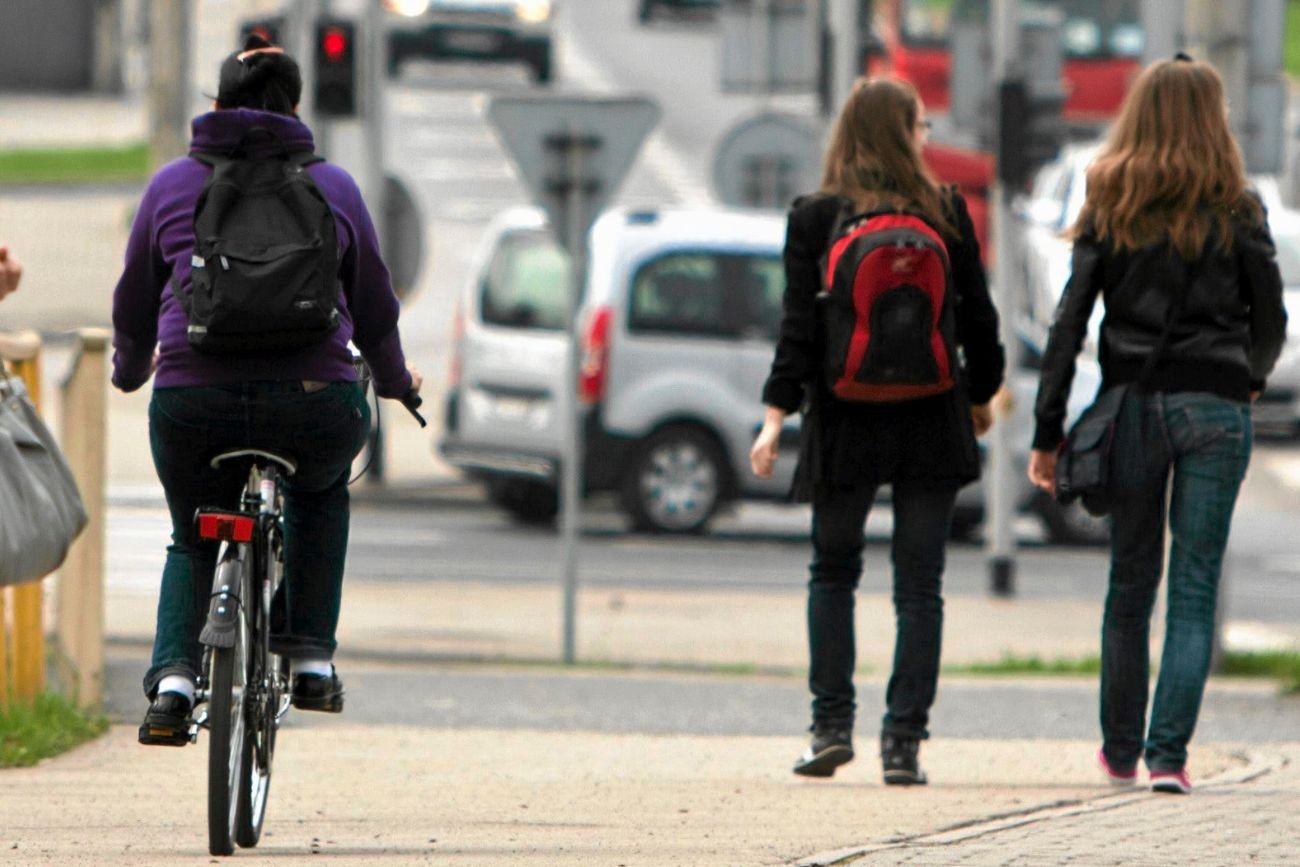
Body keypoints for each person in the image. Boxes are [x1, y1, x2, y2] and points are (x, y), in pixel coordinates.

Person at [113, 35, 422, 746]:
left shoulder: (170, 186)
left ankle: (173, 682)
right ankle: (310, 656)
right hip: (312, 396)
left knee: (194, 531)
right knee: (319, 493)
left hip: (193, 399)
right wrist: (400, 383)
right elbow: (374, 307)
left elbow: (133, 302)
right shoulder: (333, 187)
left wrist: (130, 371)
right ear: (297, 108)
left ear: (216, 106)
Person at [1028, 55, 1287, 795]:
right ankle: (1168, 756)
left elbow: (1068, 321)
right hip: (1216, 406)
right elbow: (1270, 314)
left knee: (1129, 579)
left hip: (1132, 408)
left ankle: (1118, 748)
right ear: (1215, 117)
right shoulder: (1237, 203)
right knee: (1195, 582)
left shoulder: (1111, 194)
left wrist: (1049, 432)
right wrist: (1249, 372)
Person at [750, 77, 1004, 785]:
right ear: (904, 135)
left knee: (833, 571)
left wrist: (775, 417)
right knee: (919, 585)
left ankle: (831, 725)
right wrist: (979, 395)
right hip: (932, 418)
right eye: (921, 126)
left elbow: (797, 332)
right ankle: (903, 743)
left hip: (844, 417)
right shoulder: (947, 211)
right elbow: (980, 324)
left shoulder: (814, 218)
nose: (928, 137)